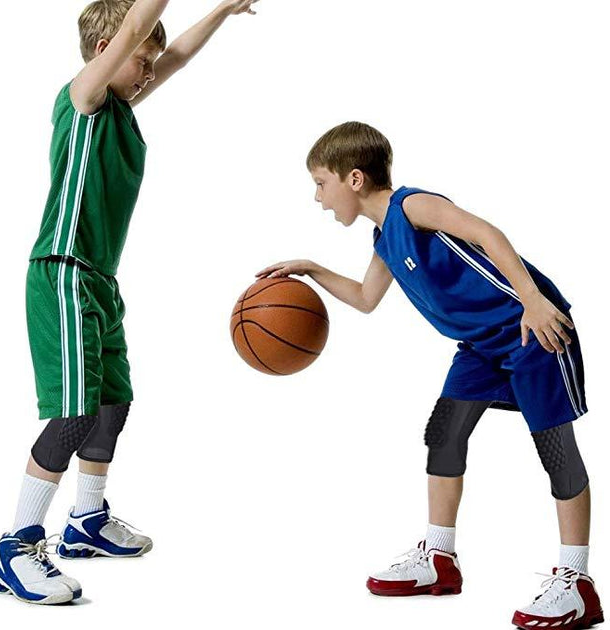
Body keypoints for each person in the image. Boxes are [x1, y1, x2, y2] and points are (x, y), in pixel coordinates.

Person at [257, 121, 604, 630]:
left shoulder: (412, 206)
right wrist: (310, 269)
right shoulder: (384, 238)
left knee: (556, 453)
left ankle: (578, 583)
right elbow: (364, 299)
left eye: (321, 183)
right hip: (481, 348)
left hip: (531, 330)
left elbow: (487, 233)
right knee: (443, 435)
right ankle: (439, 560)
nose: (318, 197)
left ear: (354, 179)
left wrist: (533, 301)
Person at [0, 0, 259, 605]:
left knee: (113, 403)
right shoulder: (82, 97)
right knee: (75, 413)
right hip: (63, 272)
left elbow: (177, 55)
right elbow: (135, 25)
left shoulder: (120, 109)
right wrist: (140, 30)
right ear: (108, 48)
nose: (148, 69)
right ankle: (15, 545)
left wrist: (221, 10)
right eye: (141, 58)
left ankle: (86, 521)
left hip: (100, 280)